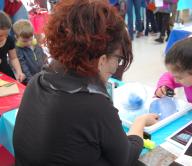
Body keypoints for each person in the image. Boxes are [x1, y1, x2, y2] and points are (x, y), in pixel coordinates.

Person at [13, 0, 158, 166]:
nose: (116, 67)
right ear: (102, 59)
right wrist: (139, 123)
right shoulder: (94, 105)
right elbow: (125, 158)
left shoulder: (37, 82)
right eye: (118, 59)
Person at [13, 19, 47, 84]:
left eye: (30, 39)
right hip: (29, 80)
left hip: (41, 76)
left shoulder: (36, 43)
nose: (28, 43)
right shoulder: (18, 50)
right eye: (24, 41)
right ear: (16, 37)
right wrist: (31, 81)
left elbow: (43, 57)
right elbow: (23, 66)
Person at [0, 11, 25, 81]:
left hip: (5, 72)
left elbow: (13, 58)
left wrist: (19, 72)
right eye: (1, 36)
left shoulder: (9, 40)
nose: (4, 38)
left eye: (6, 34)